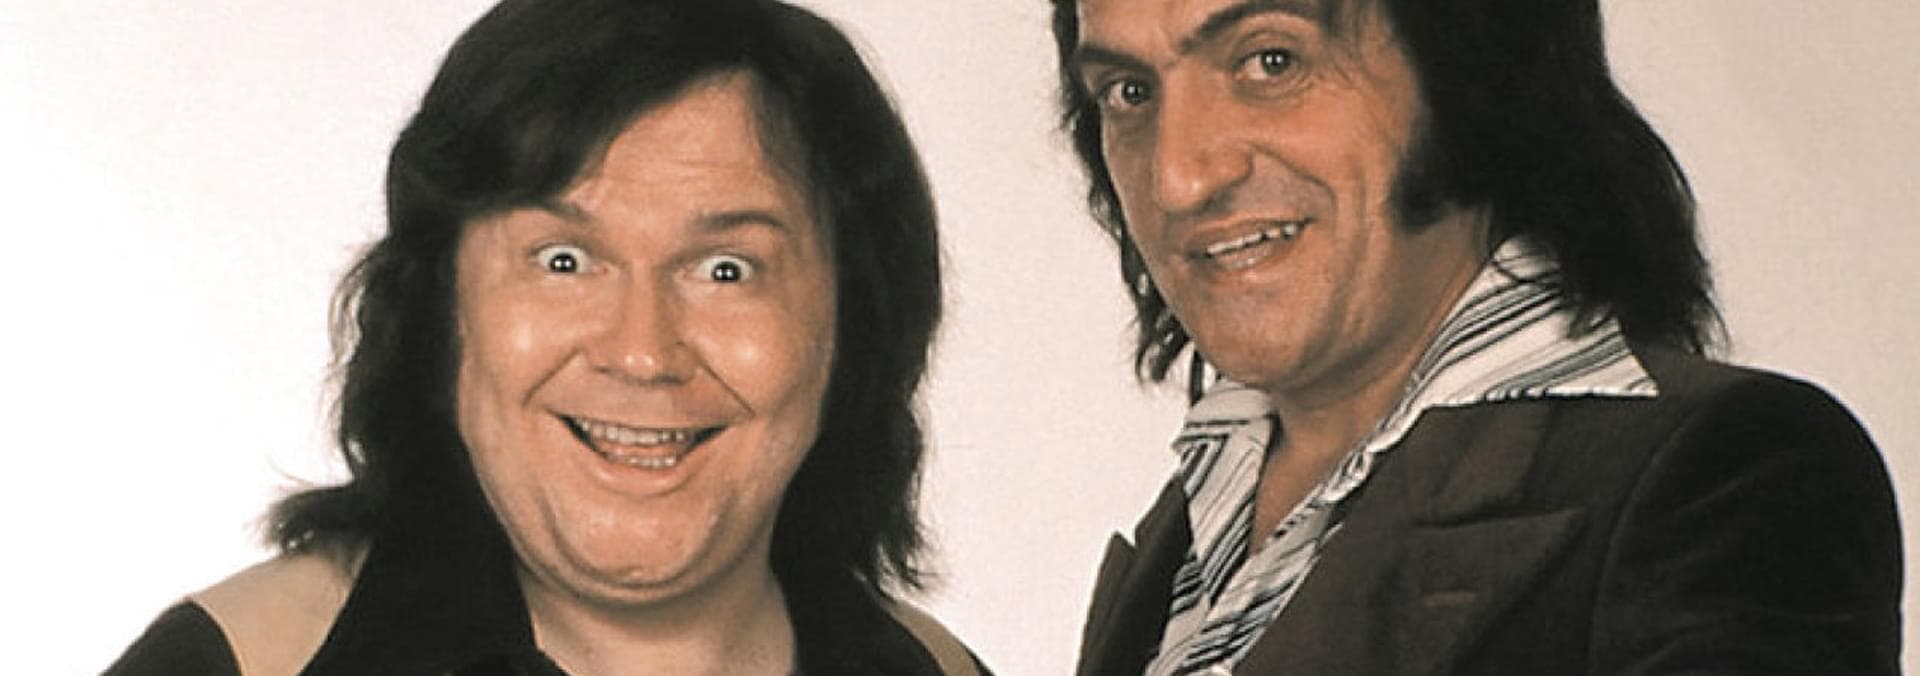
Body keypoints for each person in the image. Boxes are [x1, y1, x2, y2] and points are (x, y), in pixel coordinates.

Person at [105, 0, 986, 673]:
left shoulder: (936, 671)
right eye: (564, 260)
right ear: (442, 311)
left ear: (854, 324)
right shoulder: (246, 662)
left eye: (726, 269)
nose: (643, 353)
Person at [1050, 0, 1902, 674]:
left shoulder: (1726, 474)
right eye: (1129, 92)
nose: (1179, 177)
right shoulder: (1191, 521)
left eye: (1272, 61)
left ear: (1469, 70)